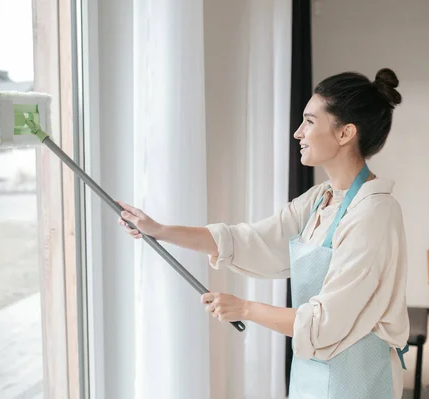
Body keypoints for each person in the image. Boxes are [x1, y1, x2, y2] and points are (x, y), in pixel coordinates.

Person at [118, 68, 409, 399]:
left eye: (310, 122)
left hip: (356, 382)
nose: (298, 133)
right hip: (312, 373)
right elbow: (251, 240)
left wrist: (244, 309)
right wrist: (160, 230)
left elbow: (324, 323)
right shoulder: (320, 199)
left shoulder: (374, 214)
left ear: (345, 133)